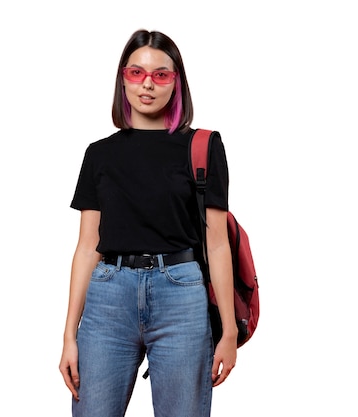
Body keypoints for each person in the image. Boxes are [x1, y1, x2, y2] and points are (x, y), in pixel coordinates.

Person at [58, 29, 237, 417]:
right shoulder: (99, 155)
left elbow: (218, 244)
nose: (148, 84)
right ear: (123, 78)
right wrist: (69, 335)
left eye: (161, 74)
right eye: (137, 73)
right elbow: (87, 246)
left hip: (181, 296)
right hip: (108, 297)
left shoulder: (203, 147)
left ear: (177, 82)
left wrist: (228, 331)